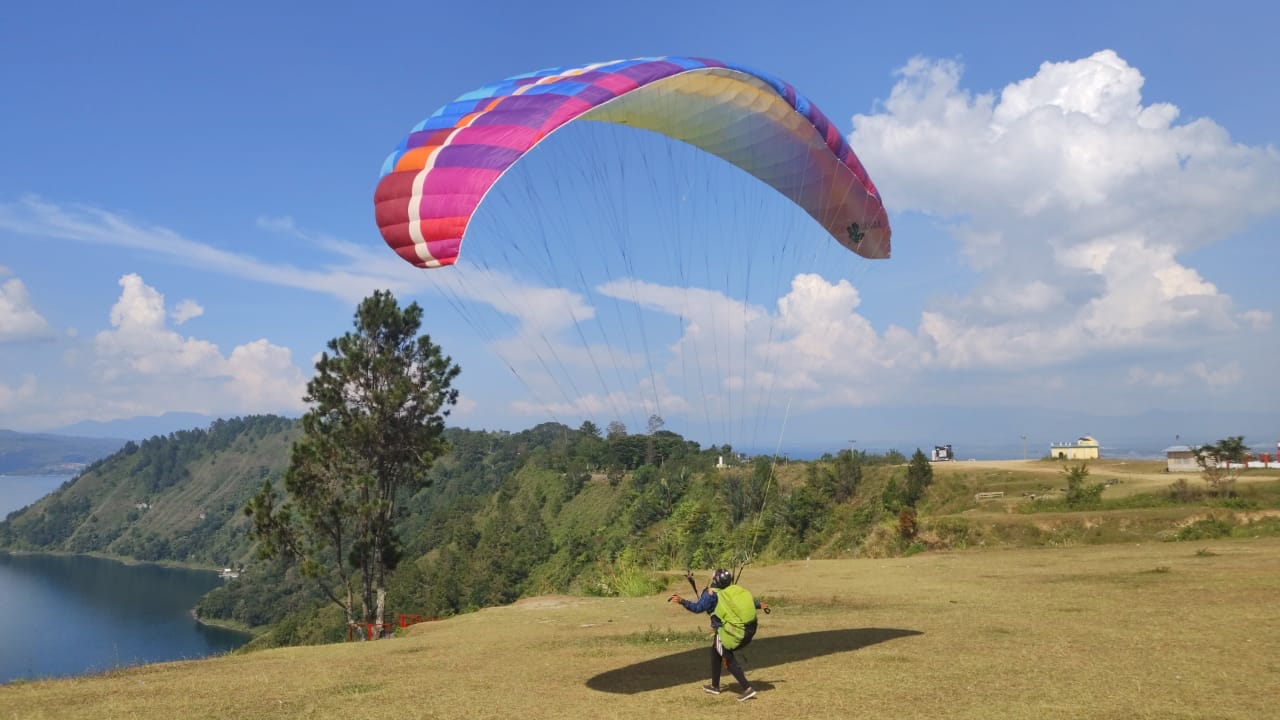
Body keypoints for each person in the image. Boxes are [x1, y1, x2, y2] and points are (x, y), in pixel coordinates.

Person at [669, 568, 769, 701]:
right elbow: (738, 604)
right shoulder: (731, 590)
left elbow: (697, 608)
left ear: (716, 580)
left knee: (727, 657)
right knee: (715, 651)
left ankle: (747, 688)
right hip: (746, 629)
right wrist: (757, 605)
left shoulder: (712, 594)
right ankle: (715, 686)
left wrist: (682, 601)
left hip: (729, 632)